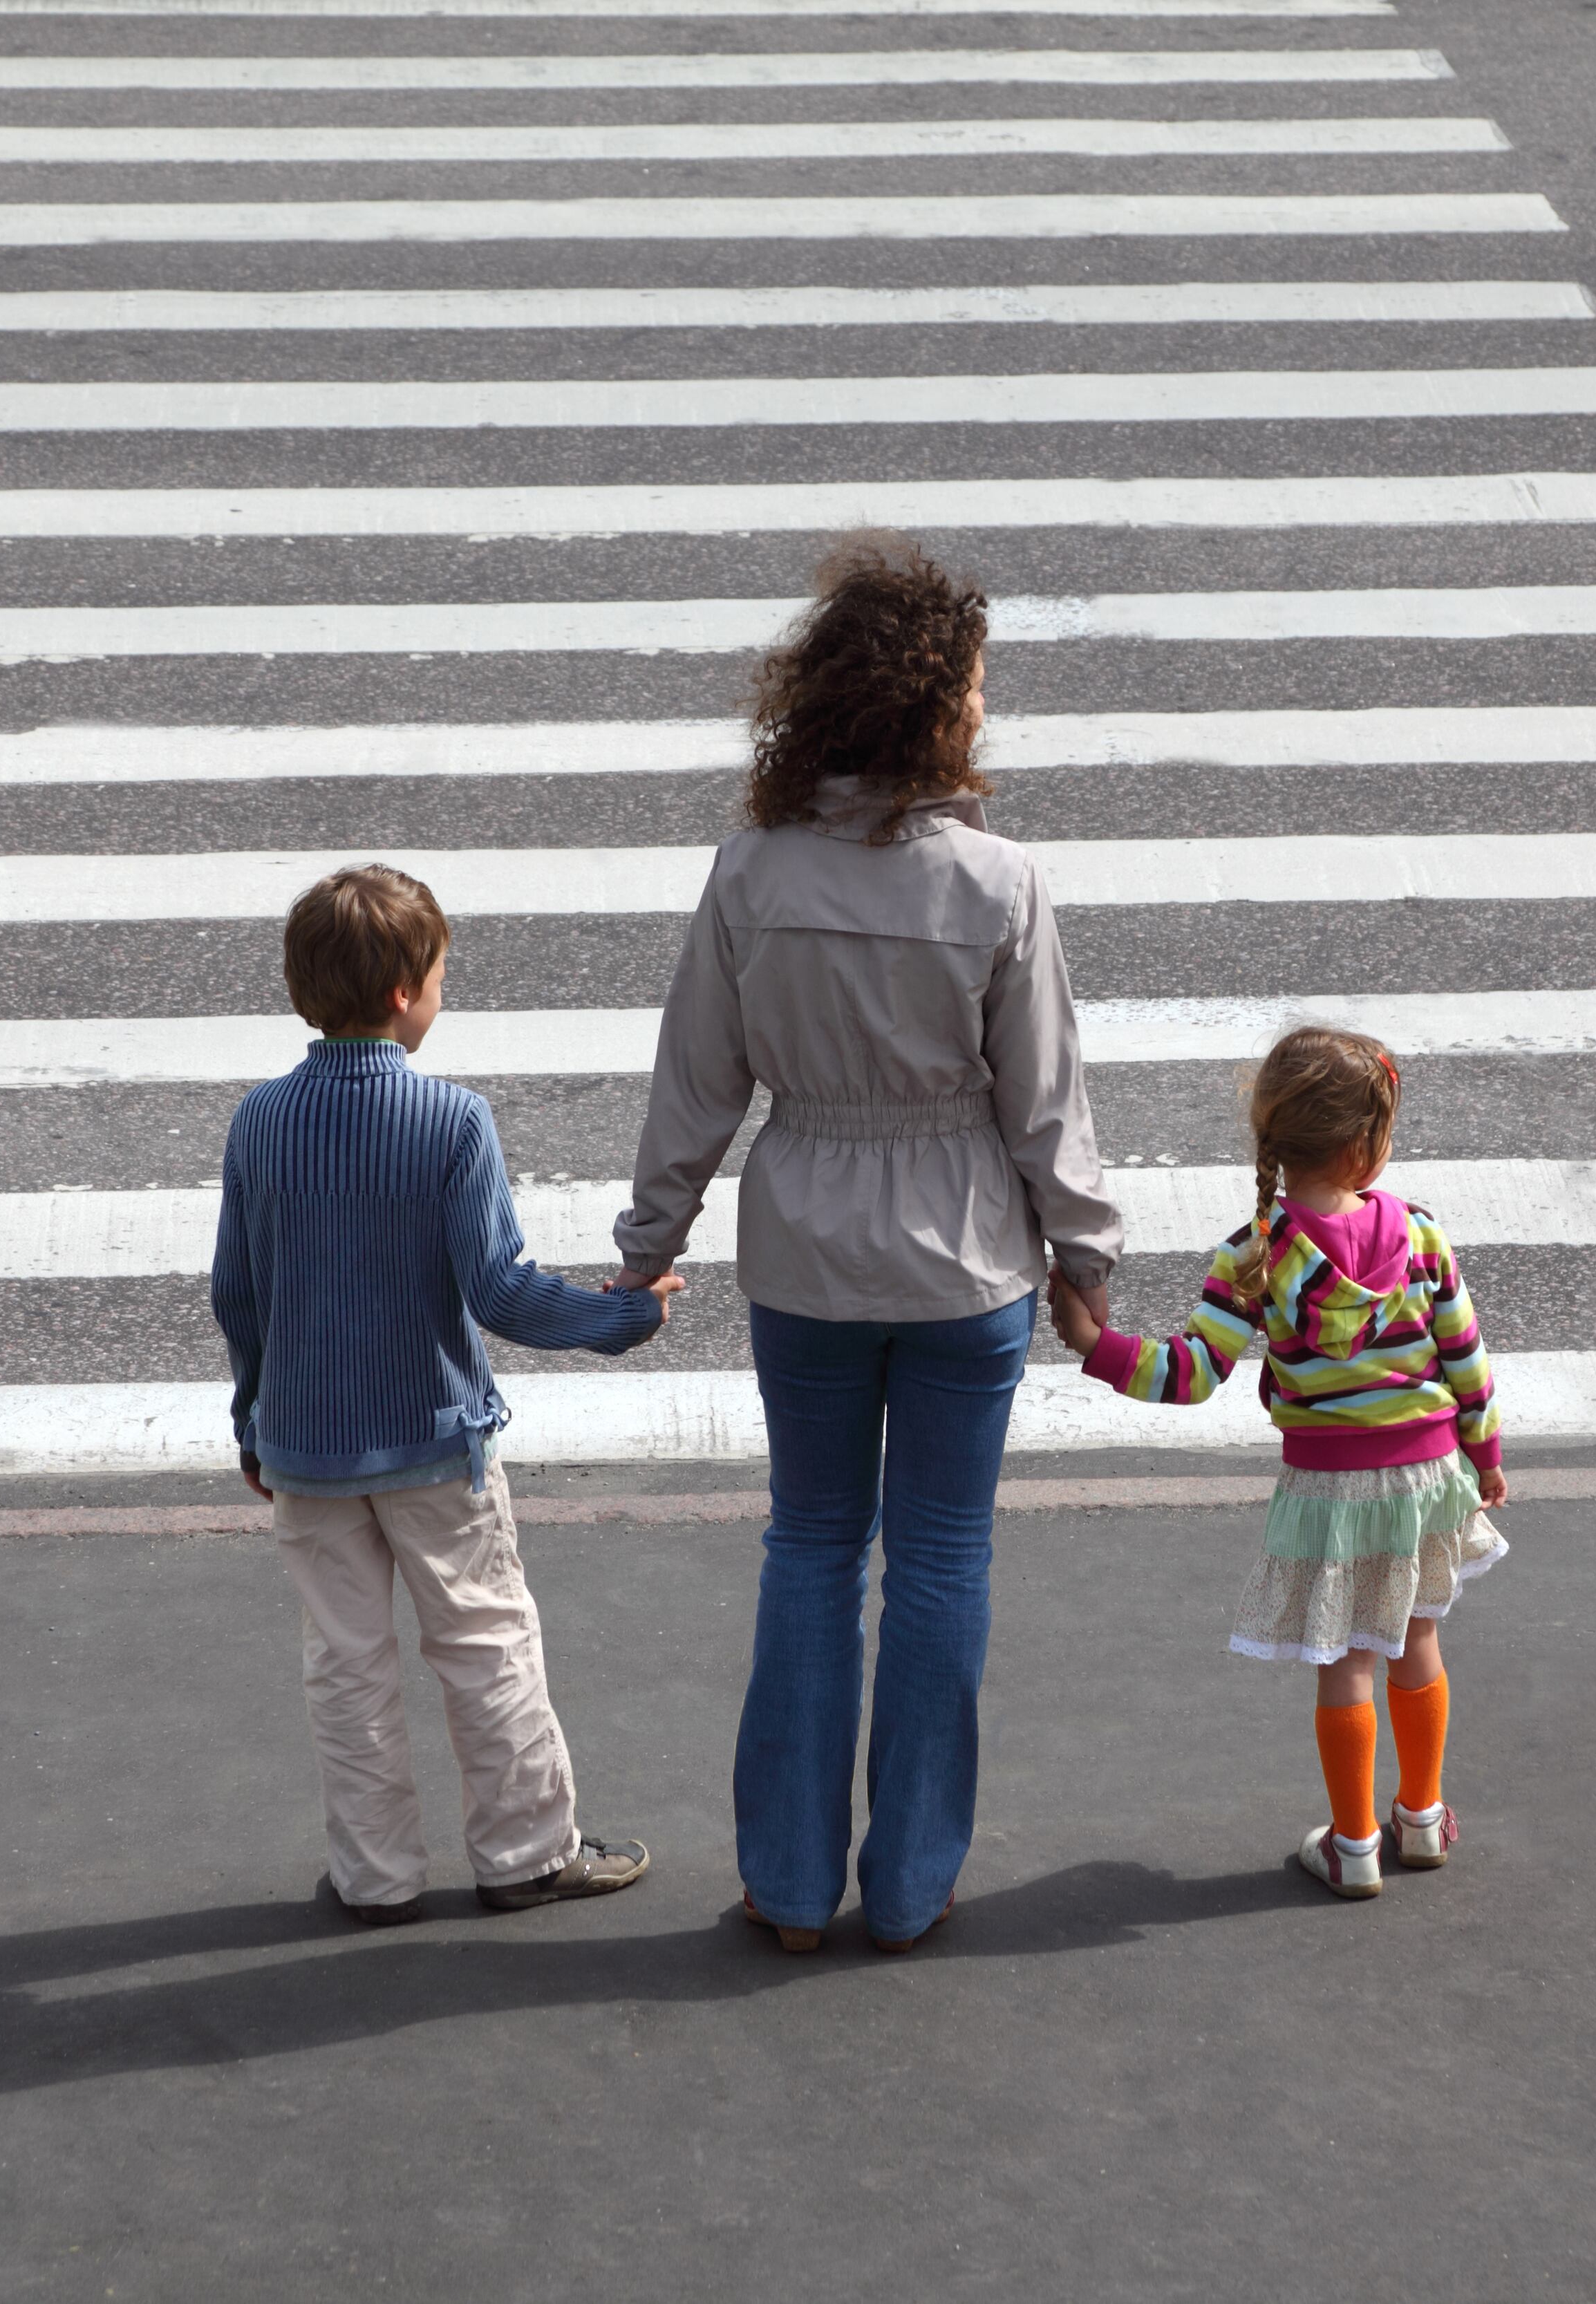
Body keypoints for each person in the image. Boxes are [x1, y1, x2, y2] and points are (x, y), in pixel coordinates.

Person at [614, 535, 1125, 1956]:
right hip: (967, 1263)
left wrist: (646, 1245)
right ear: (934, 709)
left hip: (807, 1257)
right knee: (945, 1564)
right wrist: (1083, 1267)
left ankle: (786, 1882)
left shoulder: (749, 871)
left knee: (811, 1548)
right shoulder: (996, 882)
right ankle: (909, 1884)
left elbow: (697, 1083)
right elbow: (1044, 1104)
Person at [214, 863, 685, 1929]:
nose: (439, 993)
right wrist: (627, 1313)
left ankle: (375, 1875)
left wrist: (253, 1416)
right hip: (432, 1443)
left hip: (305, 1452)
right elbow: (501, 1292)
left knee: (346, 1666)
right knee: (484, 1644)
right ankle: (525, 1853)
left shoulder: (259, 1124)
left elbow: (237, 1292)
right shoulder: (450, 1122)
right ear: (401, 995)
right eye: (437, 976)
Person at [1048, 1024, 1505, 1902]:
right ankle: (1422, 1815)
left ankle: (1353, 1841)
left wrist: (1094, 1343)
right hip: (1424, 1477)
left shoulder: (1255, 1256)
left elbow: (1190, 1375)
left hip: (1330, 1491)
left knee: (1346, 1661)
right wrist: (1483, 1457)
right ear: (1364, 1147)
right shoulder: (1419, 1236)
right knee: (1416, 1639)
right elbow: (1465, 1360)